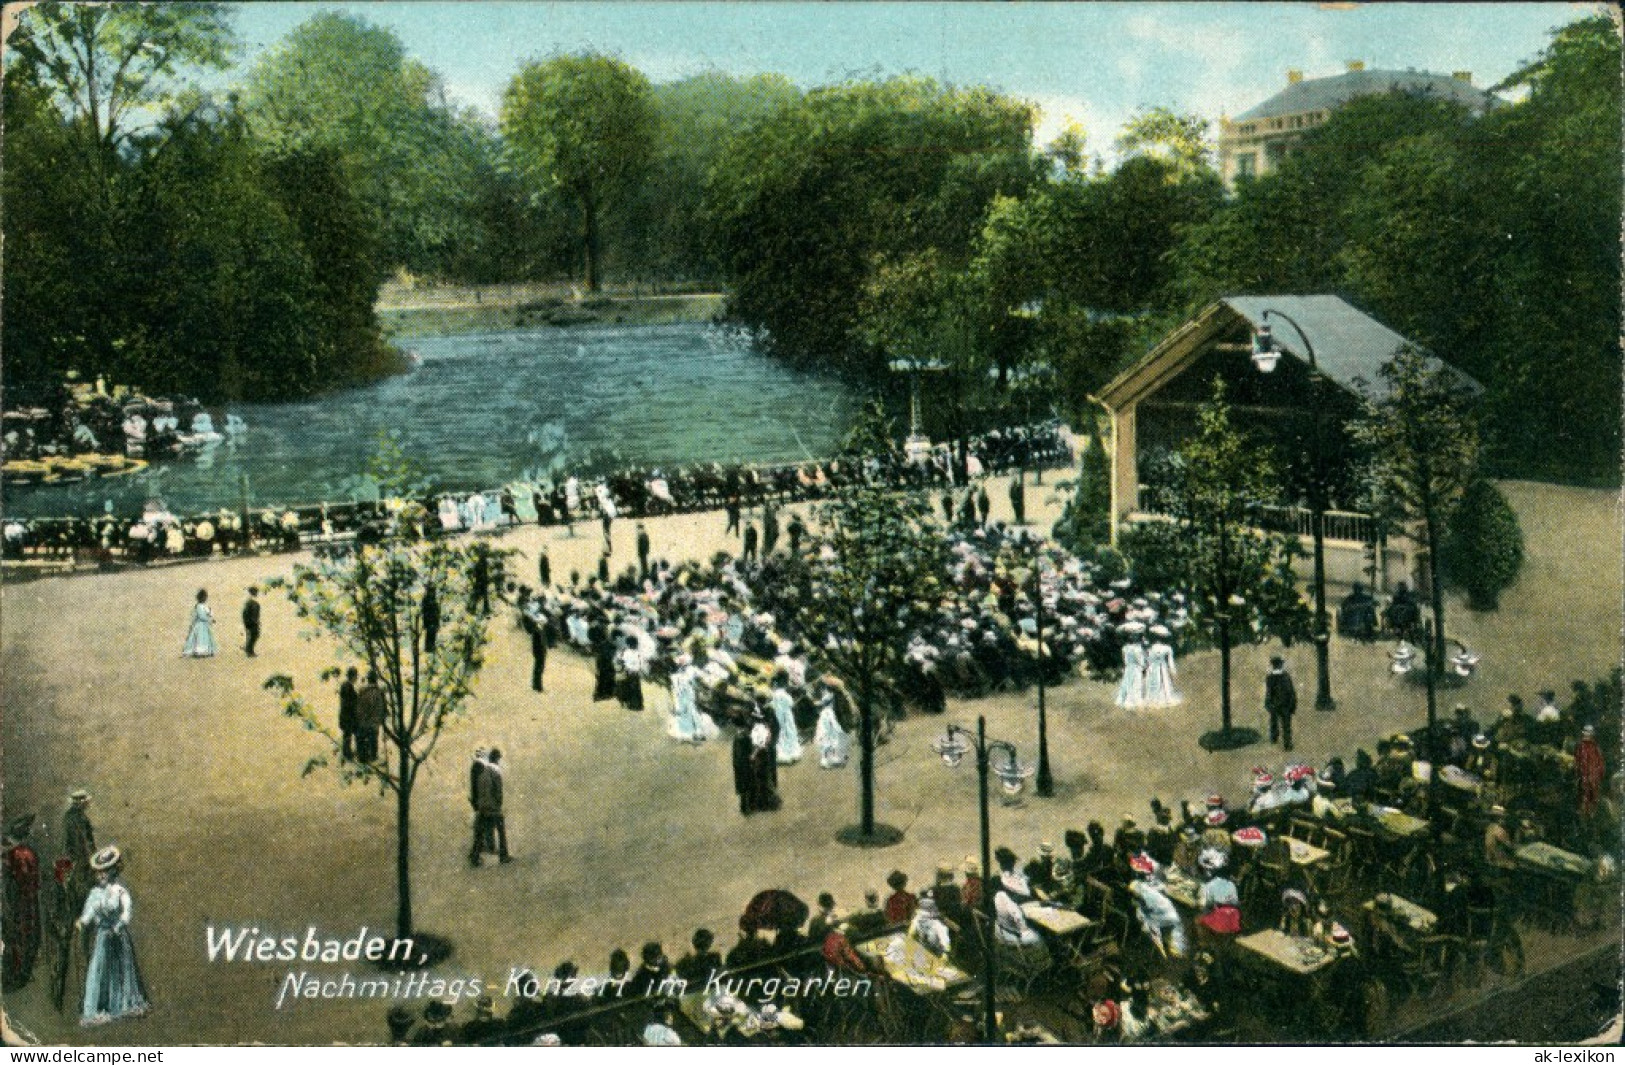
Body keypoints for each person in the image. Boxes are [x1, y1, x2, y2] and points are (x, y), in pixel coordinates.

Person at [75, 846, 150, 1026]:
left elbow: (126, 912)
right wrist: (82, 922)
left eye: (105, 872)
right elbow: (89, 912)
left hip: (118, 935)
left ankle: (123, 1005)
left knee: (121, 968)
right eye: (98, 873)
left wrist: (119, 925)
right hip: (102, 936)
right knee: (100, 969)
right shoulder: (94, 893)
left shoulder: (119, 891)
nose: (101, 876)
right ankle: (99, 1008)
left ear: (113, 871)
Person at [3, 814, 42, 991]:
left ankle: (16, 971)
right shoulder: (23, 854)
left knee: (16, 935)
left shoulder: (12, 854)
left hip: (17, 900)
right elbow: (26, 878)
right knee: (24, 935)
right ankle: (19, 973)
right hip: (23, 901)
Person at [473, 748, 511, 865]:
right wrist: (498, 805)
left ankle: (475, 857)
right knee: (501, 829)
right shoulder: (496, 772)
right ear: (497, 759)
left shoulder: (483, 772)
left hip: (482, 807)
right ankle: (503, 856)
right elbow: (498, 792)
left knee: (480, 832)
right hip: (493, 807)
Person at [1265, 655, 1297, 751]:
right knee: (1286, 725)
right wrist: (1293, 704)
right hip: (1285, 705)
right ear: (1280, 665)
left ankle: (1274, 737)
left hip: (1274, 704)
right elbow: (1291, 691)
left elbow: (1269, 692)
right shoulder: (1286, 676)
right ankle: (1287, 744)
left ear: (1273, 666)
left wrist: (1268, 703)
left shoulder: (1269, 677)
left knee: (1274, 721)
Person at [1143, 625, 1180, 707]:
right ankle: (1164, 698)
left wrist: (1146, 669)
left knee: (1155, 682)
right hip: (1162, 668)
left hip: (1152, 668)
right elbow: (1171, 663)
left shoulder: (1149, 648)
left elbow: (1147, 661)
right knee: (1164, 681)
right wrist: (1173, 671)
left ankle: (1153, 698)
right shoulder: (1167, 648)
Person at [1575, 724, 1606, 821]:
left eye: (1589, 733)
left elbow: (1600, 764)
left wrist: (1597, 774)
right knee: (1583, 796)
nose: (1587, 735)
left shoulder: (1595, 748)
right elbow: (1578, 761)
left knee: (1592, 797)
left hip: (1593, 778)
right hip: (1584, 777)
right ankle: (1584, 815)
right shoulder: (1581, 747)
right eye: (1586, 732)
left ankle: (1591, 815)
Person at [355, 671, 386, 763]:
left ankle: (362, 758)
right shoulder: (380, 692)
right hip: (374, 722)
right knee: (373, 740)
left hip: (363, 721)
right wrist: (382, 718)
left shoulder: (362, 691)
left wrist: (360, 717)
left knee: (361, 739)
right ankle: (372, 757)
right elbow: (383, 708)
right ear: (376, 680)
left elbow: (358, 706)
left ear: (368, 679)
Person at [770, 677, 802, 765]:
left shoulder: (774, 694)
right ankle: (793, 753)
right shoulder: (785, 694)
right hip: (787, 716)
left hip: (778, 715)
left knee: (781, 734)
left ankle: (784, 755)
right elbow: (791, 704)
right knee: (790, 733)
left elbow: (772, 705)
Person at [813, 692, 849, 769]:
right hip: (827, 733)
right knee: (830, 745)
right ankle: (827, 761)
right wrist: (840, 730)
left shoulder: (823, 712)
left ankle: (829, 760)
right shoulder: (829, 712)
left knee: (828, 747)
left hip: (824, 732)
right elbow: (833, 723)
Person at [1115, 626, 1146, 709]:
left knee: (1127, 683)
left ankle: (1123, 699)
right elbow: (1141, 661)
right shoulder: (1138, 649)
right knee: (1136, 684)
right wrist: (1144, 667)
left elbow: (1125, 660)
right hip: (1136, 668)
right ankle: (1134, 701)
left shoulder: (1125, 648)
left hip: (1128, 668)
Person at [181, 588, 216, 658]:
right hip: (200, 625)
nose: (205, 599)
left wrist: (211, 614)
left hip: (205, 625)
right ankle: (199, 651)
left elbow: (209, 613)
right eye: (204, 597)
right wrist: (209, 620)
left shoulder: (204, 606)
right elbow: (201, 616)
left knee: (206, 638)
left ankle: (206, 651)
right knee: (200, 638)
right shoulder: (199, 606)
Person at [521, 602, 548, 693]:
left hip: (539, 650)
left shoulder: (536, 627)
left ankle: (536, 685)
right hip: (539, 650)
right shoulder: (536, 629)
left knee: (538, 667)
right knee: (539, 668)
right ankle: (538, 687)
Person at [338, 667, 360, 760]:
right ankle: (347, 754)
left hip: (345, 715)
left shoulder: (345, 685)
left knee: (347, 735)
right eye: (356, 676)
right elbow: (350, 702)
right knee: (349, 735)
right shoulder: (348, 686)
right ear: (353, 676)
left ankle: (347, 753)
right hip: (348, 716)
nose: (357, 678)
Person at [241, 586, 261, 657]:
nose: (257, 593)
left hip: (251, 621)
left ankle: (249, 649)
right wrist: (253, 621)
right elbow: (247, 613)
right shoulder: (251, 602)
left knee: (252, 635)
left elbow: (244, 613)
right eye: (256, 592)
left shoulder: (249, 601)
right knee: (254, 635)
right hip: (252, 622)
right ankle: (249, 651)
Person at [422, 581, 440, 654]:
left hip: (434, 621)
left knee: (432, 635)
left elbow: (437, 611)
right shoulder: (426, 599)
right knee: (430, 634)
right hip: (429, 621)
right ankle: (429, 648)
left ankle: (431, 647)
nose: (433, 592)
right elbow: (425, 612)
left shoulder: (434, 599)